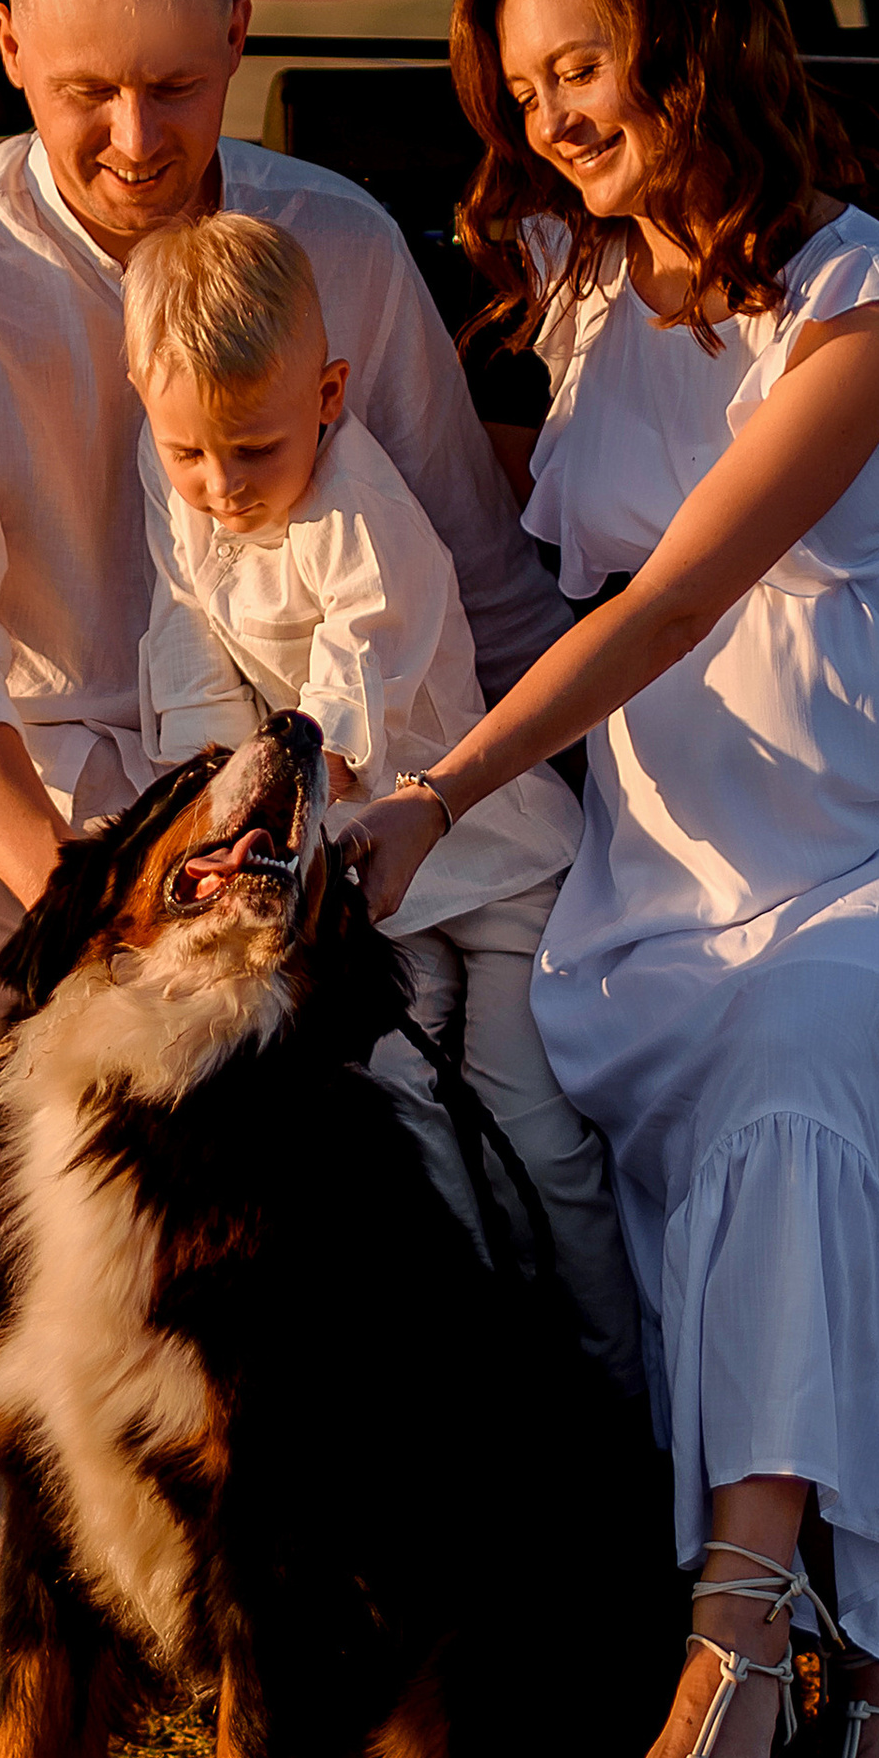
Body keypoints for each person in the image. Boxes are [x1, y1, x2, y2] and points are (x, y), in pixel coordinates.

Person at [0, 0, 573, 1758]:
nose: (131, 135)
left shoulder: (337, 245)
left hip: (271, 793)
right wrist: (97, 935)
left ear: (238, 42)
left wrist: (570, 811)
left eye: (173, 88)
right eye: (81, 88)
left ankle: (420, 1595)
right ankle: (11, 1539)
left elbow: (473, 576)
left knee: (462, 1124)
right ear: (9, 49)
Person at [348, 0, 879, 1758]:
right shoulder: (574, 277)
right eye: (521, 88)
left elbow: (680, 598)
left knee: (797, 1073)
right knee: (785, 1156)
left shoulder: (874, 318)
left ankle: (739, 1621)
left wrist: (434, 798)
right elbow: (377, 361)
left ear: (691, 46)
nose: (548, 120)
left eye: (582, 67)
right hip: (688, 860)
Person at [126, 208, 638, 1384]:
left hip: (489, 863)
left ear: (327, 393)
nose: (218, 486)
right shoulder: (184, 496)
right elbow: (187, 651)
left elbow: (348, 704)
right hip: (370, 892)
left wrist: (283, 802)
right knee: (403, 1120)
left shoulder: (363, 515)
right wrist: (209, 809)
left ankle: (616, 1384)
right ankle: (471, 1365)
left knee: (533, 1130)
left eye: (250, 452)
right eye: (185, 455)